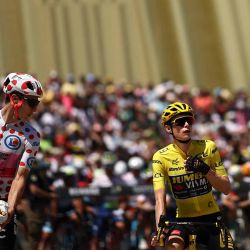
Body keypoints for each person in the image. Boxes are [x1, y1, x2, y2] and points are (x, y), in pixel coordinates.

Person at [151, 102, 235, 250]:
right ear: (168, 128)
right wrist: (160, 230)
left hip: (212, 218)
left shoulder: (208, 147)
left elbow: (226, 188)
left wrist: (205, 170)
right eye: (180, 122)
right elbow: (159, 199)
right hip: (184, 220)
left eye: (189, 120)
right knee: (173, 246)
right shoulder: (160, 157)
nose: (186, 125)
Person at [0, 72, 43, 250]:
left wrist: (9, 209)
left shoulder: (32, 136)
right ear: (15, 98)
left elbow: (20, 177)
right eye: (32, 103)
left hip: (3, 204)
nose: (35, 110)